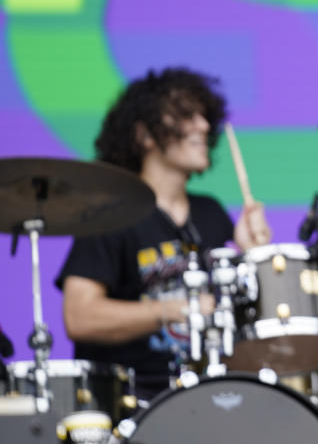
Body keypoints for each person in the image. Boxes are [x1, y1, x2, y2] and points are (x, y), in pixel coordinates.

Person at [56, 67, 272, 399]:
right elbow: (80, 316)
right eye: (186, 115)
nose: (202, 125)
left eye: (204, 116)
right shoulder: (113, 214)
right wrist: (173, 310)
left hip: (209, 394)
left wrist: (252, 256)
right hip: (132, 402)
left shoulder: (211, 213)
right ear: (145, 135)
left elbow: (241, 320)